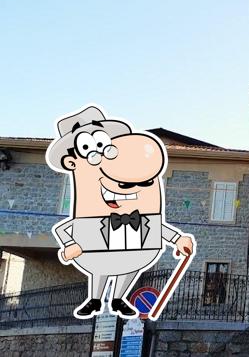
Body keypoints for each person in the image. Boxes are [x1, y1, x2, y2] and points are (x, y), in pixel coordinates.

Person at [47, 106, 195, 319]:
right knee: (100, 266)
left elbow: (157, 228)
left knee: (129, 266)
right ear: (72, 162)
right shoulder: (89, 207)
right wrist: (70, 245)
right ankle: (95, 299)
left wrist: (178, 239)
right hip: (98, 248)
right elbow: (64, 229)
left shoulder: (133, 185)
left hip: (135, 248)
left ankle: (117, 298)